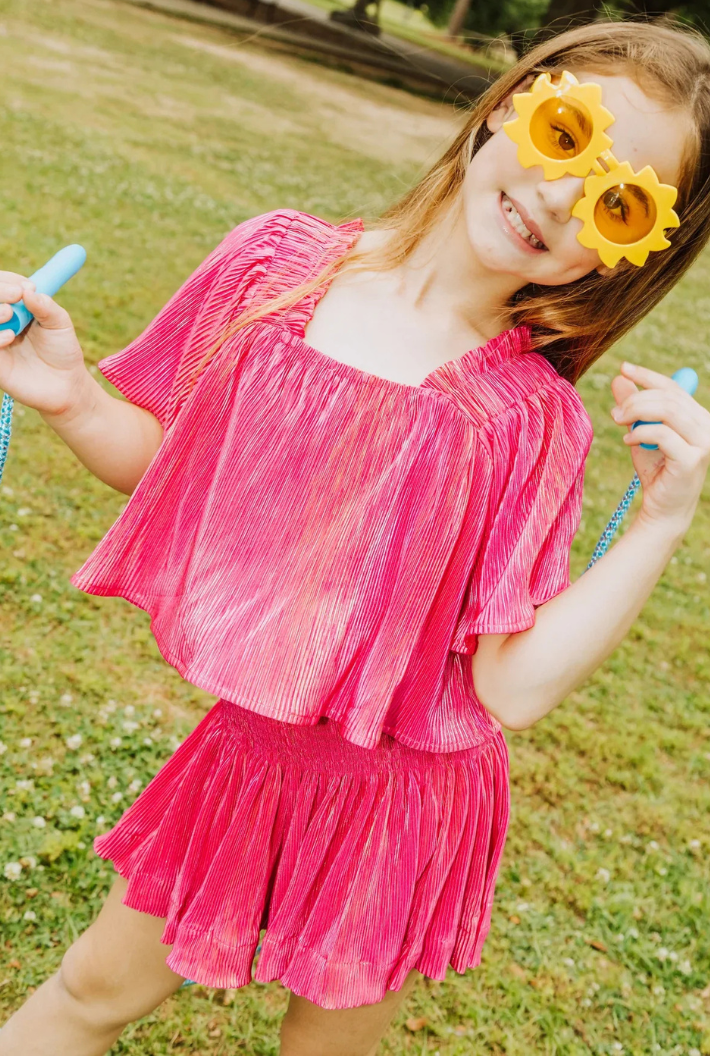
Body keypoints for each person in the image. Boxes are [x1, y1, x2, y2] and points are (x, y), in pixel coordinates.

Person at [1, 18, 709, 1056]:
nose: (558, 197)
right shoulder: (271, 266)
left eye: (614, 200)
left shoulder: (523, 422)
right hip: (250, 755)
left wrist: (660, 519)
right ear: (512, 102)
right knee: (88, 992)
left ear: (630, 248)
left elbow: (507, 688)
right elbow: (176, 469)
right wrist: (68, 394)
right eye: (566, 133)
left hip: (404, 800)